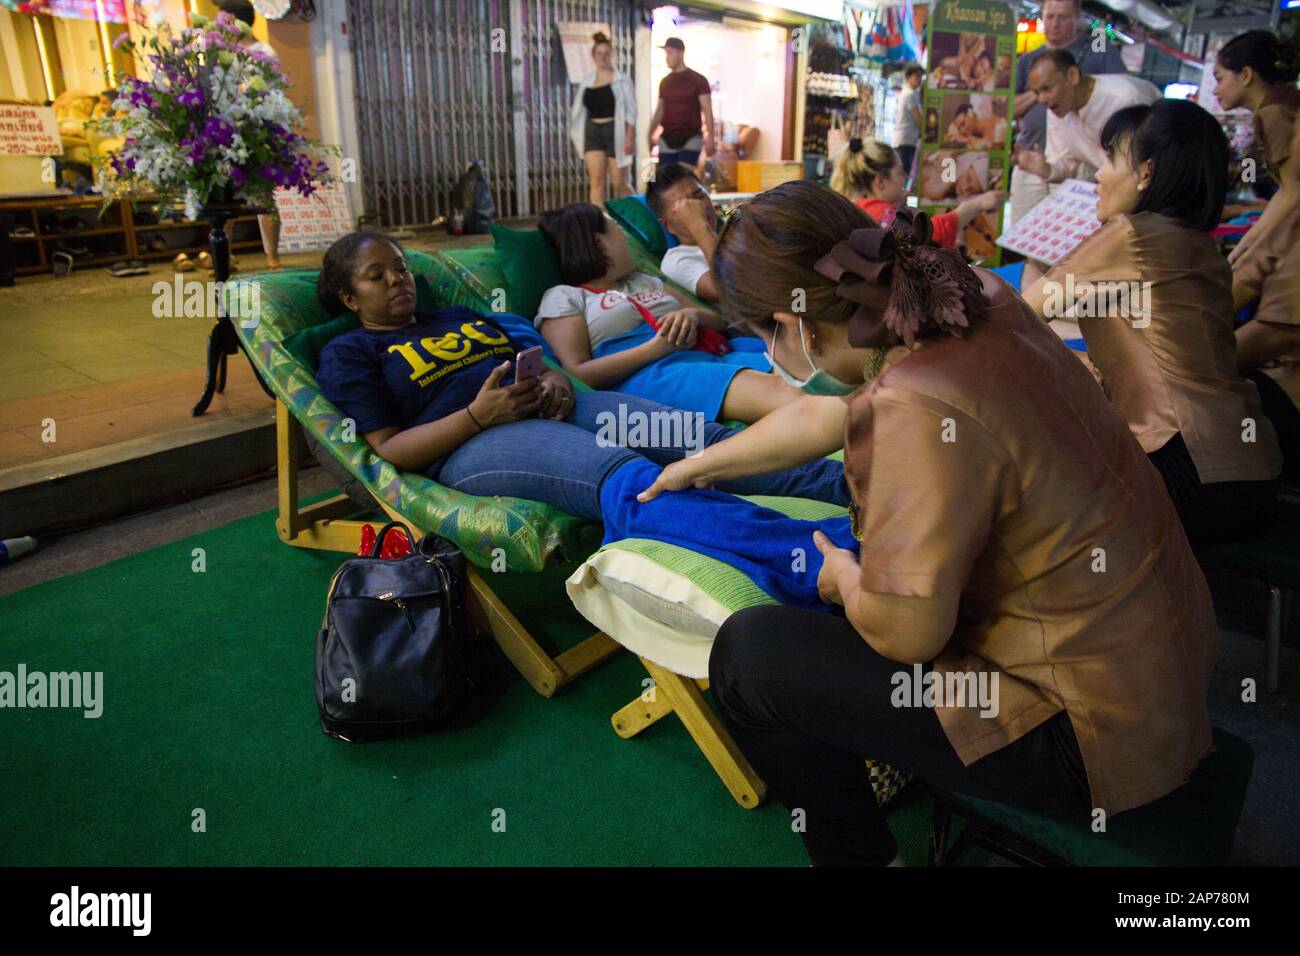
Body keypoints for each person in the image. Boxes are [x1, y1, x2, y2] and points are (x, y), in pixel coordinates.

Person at [637, 182, 1219, 867]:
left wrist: (847, 582)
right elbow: (830, 411)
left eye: (766, 336)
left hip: (1087, 735)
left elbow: (906, 633)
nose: (770, 358)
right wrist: (695, 465)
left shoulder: (910, 406)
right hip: (1165, 670)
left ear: (791, 324)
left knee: (751, 658)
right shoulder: (968, 300)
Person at [313, 229, 853, 599]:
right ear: (348, 296)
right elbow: (388, 450)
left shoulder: (460, 316)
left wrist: (554, 384)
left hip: (548, 408)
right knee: (632, 479)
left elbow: (543, 364)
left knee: (700, 438)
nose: (396, 280)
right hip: (468, 447)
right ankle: (818, 555)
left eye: (400, 268)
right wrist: (477, 417)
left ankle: (865, 490)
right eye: (375, 275)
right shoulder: (350, 353)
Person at [1021, 100, 1281, 544]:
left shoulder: (1132, 235)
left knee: (1024, 505)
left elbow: (1021, 315)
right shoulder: (1196, 245)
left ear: (1145, 172)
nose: (1099, 174)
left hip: (1183, 466)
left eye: (1110, 159)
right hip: (1251, 470)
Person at [535, 202, 797, 423]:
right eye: (617, 231)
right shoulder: (564, 296)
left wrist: (692, 316)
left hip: (702, 352)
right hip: (653, 373)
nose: (625, 239)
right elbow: (577, 373)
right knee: (785, 393)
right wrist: (655, 349)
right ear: (598, 242)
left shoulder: (645, 280)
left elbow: (718, 320)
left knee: (804, 372)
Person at [1009, 0, 1129, 225]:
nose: (1054, 24)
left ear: (1077, 18)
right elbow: (1007, 111)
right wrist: (1047, 87)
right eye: (1050, 16)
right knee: (1024, 230)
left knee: (1068, 235)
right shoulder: (1027, 60)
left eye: (1062, 17)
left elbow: (1122, 92)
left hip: (1082, 163)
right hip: (1030, 157)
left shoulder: (1098, 48)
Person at [1212, 30, 1300, 313]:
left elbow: (1292, 195)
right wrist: (1249, 244)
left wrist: (1250, 248)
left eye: (1219, 78)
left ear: (1246, 75)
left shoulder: (1274, 112)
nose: (1215, 90)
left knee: (1251, 271)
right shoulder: (1282, 103)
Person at [830, 138, 1001, 249]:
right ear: (880, 182)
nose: (904, 178)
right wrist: (976, 205)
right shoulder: (878, 215)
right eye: (899, 172)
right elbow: (926, 234)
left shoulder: (857, 207)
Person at [568, 32, 637, 206]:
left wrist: (630, 137)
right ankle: (600, 223)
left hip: (615, 132)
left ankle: (638, 215)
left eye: (606, 53)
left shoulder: (622, 80)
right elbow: (579, 113)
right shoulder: (587, 82)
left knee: (619, 183)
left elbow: (631, 112)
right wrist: (578, 142)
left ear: (611, 55)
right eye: (598, 53)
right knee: (596, 183)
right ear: (593, 56)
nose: (602, 57)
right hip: (592, 132)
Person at [646, 163, 720, 301]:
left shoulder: (733, 232)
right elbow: (725, 289)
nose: (698, 207)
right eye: (684, 206)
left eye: (699, 195)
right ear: (667, 225)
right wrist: (698, 223)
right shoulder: (677, 261)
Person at [649, 38, 713, 169]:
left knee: (684, 177)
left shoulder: (698, 80)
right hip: (667, 137)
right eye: (666, 53)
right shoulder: (665, 82)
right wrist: (650, 133)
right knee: (667, 180)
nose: (667, 58)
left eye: (670, 53)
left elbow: (707, 110)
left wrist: (710, 138)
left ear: (681, 53)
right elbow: (660, 110)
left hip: (691, 136)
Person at [892, 65, 924, 183]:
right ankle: (901, 199)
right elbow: (918, 119)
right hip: (906, 141)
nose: (920, 79)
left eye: (921, 76)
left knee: (901, 174)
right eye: (917, 76)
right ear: (908, 77)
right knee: (904, 175)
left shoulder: (905, 93)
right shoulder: (910, 94)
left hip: (903, 140)